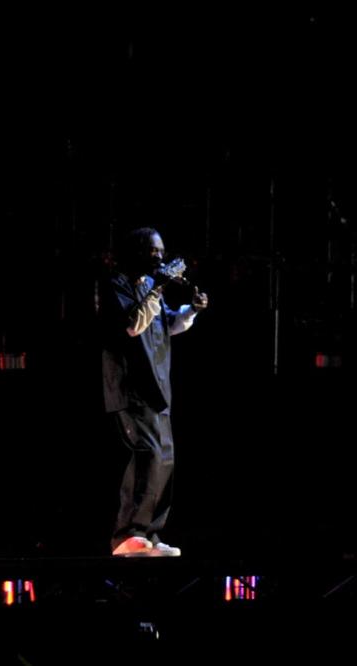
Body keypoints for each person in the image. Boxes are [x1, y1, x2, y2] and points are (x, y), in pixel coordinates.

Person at [99, 227, 208, 557]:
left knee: (164, 460)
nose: (159, 257)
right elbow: (133, 325)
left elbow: (166, 324)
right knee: (145, 456)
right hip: (133, 387)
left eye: (161, 251)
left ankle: (151, 534)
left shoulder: (149, 287)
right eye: (152, 251)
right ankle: (126, 535)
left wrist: (192, 311)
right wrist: (158, 287)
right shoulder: (117, 283)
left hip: (159, 387)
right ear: (135, 253)